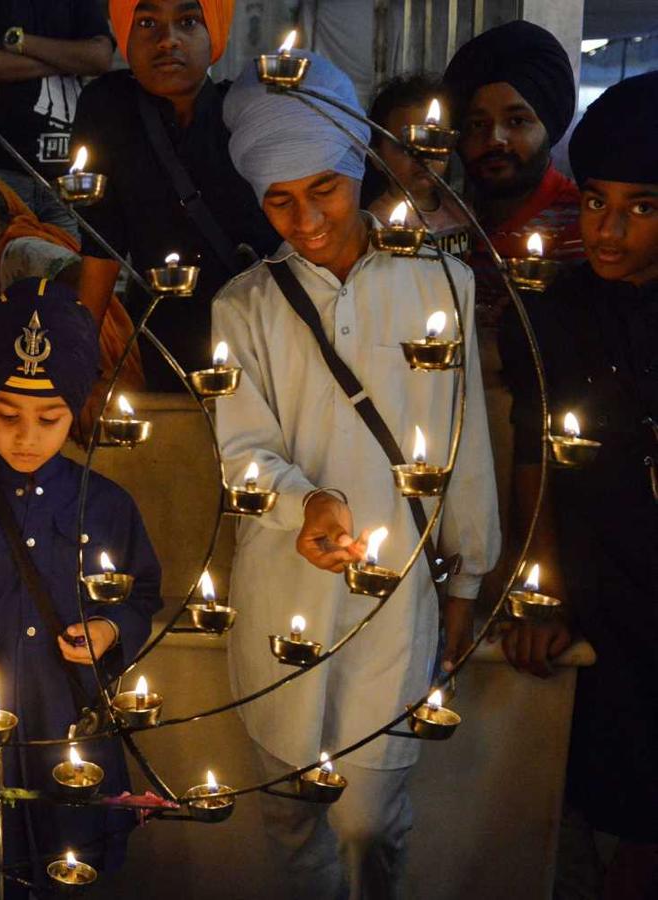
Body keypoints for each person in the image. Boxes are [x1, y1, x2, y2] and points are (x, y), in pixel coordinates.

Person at [213, 51, 499, 897]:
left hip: (397, 594)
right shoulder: (243, 305)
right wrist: (307, 503)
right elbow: (242, 453)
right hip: (279, 588)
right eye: (279, 199)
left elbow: (465, 437)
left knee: (369, 817)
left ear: (353, 168)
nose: (304, 220)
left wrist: (467, 578)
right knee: (292, 807)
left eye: (322, 191)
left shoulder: (441, 281)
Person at [0, 278, 162, 892]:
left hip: (66, 719)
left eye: (49, 418)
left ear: (74, 412)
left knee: (70, 861)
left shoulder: (106, 505)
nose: (26, 435)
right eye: (6, 415)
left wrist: (109, 629)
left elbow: (140, 595)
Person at [498, 71, 658, 900]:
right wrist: (543, 591)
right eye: (596, 202)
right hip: (606, 571)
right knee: (621, 812)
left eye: (641, 207)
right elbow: (534, 453)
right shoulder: (558, 312)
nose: (609, 228)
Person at [71, 0, 278, 390]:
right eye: (147, 22)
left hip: (267, 338)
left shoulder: (250, 111)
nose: (168, 41)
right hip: (165, 339)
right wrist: (80, 365)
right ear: (124, 33)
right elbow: (101, 246)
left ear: (213, 32)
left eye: (188, 22)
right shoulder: (108, 108)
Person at [0, 170, 143, 433]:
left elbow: (82, 285)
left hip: (97, 397)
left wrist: (87, 376)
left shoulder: (21, 251)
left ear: (5, 220)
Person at [443, 19, 585, 329]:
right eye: (478, 124)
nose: (495, 139)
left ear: (549, 125)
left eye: (517, 121)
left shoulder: (588, 229)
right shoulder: (441, 221)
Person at [0, 0, 114, 233]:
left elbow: (99, 57)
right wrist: (68, 61)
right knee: (10, 263)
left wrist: (22, 42)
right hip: (5, 167)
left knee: (70, 264)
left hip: (69, 174)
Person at [361, 74, 469, 257]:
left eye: (435, 143)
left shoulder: (461, 210)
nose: (424, 158)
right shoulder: (377, 222)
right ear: (377, 156)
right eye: (406, 147)